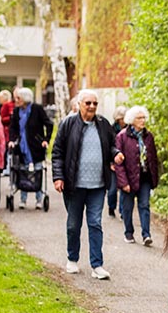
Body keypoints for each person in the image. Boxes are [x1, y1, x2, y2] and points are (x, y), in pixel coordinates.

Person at [51, 89, 121, 280]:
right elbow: (57, 152)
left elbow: (111, 144)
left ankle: (97, 265)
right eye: (88, 103)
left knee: (95, 223)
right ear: (79, 104)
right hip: (74, 185)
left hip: (97, 185)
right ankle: (72, 259)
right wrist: (58, 177)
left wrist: (116, 154)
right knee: (74, 224)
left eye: (94, 103)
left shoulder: (103, 124)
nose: (91, 106)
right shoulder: (68, 124)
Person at [113, 105, 159, 246]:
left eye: (144, 117)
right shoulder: (122, 136)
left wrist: (154, 179)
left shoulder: (148, 136)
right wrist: (123, 182)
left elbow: (153, 158)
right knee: (127, 207)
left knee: (144, 205)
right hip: (128, 177)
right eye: (139, 118)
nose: (143, 120)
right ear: (132, 120)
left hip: (144, 177)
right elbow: (118, 163)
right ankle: (129, 233)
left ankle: (146, 235)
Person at [8, 87, 53, 210]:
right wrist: (12, 140)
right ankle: (23, 199)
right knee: (22, 172)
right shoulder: (16, 111)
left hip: (35, 146)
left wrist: (45, 140)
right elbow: (13, 128)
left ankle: (39, 199)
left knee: (37, 172)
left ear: (25, 98)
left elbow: (49, 124)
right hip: (21, 146)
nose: (16, 100)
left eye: (18, 98)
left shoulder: (37, 109)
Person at [106, 105, 127, 218]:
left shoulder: (129, 130)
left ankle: (122, 211)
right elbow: (108, 147)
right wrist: (110, 163)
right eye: (122, 118)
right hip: (114, 165)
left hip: (125, 165)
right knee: (113, 190)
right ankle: (111, 207)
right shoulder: (111, 129)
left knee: (124, 189)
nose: (124, 121)